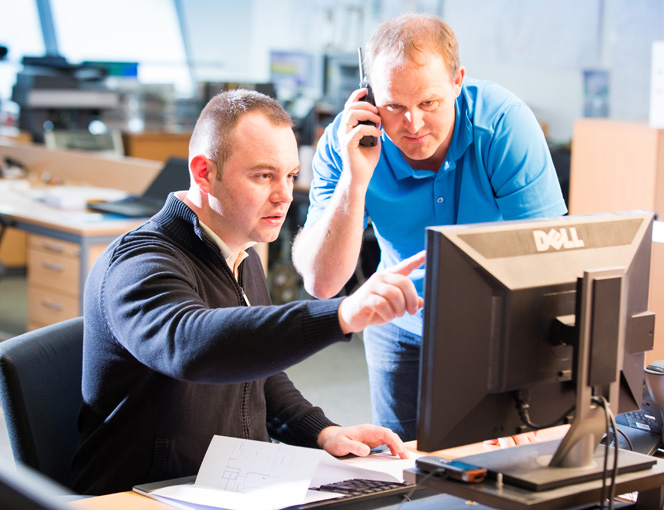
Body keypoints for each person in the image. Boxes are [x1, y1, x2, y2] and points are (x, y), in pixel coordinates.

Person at [71, 89, 425, 495]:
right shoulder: (138, 263)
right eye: (263, 175)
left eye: (290, 176)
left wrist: (322, 432)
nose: (285, 195)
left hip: (226, 486)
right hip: (139, 495)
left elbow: (259, 373)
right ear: (204, 172)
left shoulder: (242, 253)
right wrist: (339, 314)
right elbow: (192, 345)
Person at [292, 13, 568, 441]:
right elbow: (322, 283)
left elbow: (548, 265)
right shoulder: (343, 142)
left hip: (498, 320)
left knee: (499, 465)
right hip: (400, 324)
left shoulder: (503, 127)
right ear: (368, 97)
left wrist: (527, 374)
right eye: (395, 107)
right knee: (406, 470)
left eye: (429, 103)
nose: (413, 124)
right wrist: (354, 179)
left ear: (457, 81)